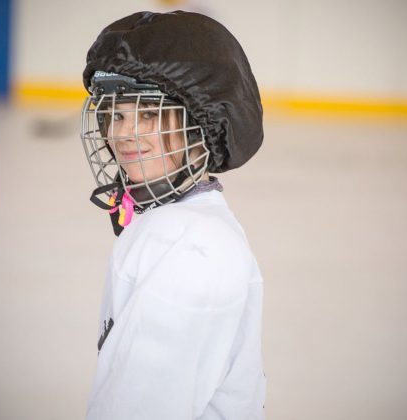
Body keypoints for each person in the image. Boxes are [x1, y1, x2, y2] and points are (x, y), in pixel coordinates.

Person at [80, 11, 265, 419]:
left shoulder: (189, 251)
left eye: (148, 114)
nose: (124, 134)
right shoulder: (178, 223)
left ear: (204, 123)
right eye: (116, 115)